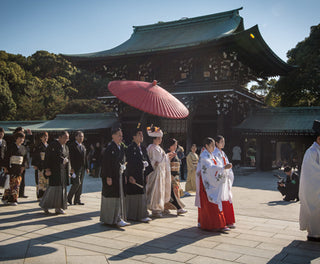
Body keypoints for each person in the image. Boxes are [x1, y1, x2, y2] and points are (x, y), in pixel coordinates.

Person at [195, 137, 232, 232]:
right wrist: (223, 167)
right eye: (211, 145)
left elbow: (215, 166)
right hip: (206, 183)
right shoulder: (204, 156)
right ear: (206, 146)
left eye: (213, 145)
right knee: (211, 203)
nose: (213, 147)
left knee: (214, 203)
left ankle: (214, 224)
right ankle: (215, 225)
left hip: (211, 181)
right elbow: (209, 168)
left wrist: (224, 168)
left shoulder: (211, 155)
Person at [100, 127, 129, 227]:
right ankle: (111, 218)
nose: (121, 137)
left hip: (119, 176)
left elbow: (123, 161)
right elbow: (106, 164)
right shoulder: (110, 148)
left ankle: (118, 217)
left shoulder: (120, 147)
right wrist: (108, 176)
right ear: (113, 136)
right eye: (119, 135)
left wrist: (124, 171)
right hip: (112, 176)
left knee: (119, 196)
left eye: (121, 135)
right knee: (112, 197)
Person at [125, 127, 153, 223]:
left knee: (142, 194)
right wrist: (129, 176)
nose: (141, 136)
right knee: (134, 195)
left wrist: (147, 174)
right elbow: (128, 163)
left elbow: (147, 160)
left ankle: (142, 214)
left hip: (142, 174)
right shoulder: (130, 148)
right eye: (139, 134)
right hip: (134, 175)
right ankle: (132, 215)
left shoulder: (143, 148)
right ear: (134, 137)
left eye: (142, 134)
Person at [40, 131, 71, 214]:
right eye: (65, 137)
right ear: (59, 137)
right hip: (54, 170)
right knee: (52, 189)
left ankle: (58, 207)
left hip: (63, 171)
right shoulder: (53, 145)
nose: (66, 140)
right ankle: (45, 205)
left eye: (67, 138)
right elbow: (48, 158)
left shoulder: (66, 147)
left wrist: (68, 171)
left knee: (61, 190)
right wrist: (47, 169)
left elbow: (68, 159)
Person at [299, 120, 320, 242]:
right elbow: (311, 172)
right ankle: (313, 234)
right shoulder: (312, 151)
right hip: (313, 187)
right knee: (314, 207)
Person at [145, 126, 171, 218]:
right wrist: (154, 162)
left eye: (161, 138)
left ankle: (157, 208)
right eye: (159, 138)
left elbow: (162, 159)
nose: (160, 140)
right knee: (153, 191)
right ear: (154, 138)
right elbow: (150, 160)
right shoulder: (151, 148)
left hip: (160, 172)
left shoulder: (159, 148)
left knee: (159, 191)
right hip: (154, 172)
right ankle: (152, 208)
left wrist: (167, 157)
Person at [213, 135, 236, 229]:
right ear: (216, 143)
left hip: (225, 177)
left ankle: (229, 220)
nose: (223, 143)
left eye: (223, 141)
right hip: (220, 178)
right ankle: (224, 221)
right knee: (221, 199)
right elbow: (216, 166)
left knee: (227, 198)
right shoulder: (214, 153)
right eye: (221, 142)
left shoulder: (222, 153)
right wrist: (224, 168)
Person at [1, 132, 27, 205]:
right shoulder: (11, 147)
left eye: (23, 138)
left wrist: (23, 166)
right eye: (20, 138)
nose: (22, 140)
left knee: (16, 184)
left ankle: (14, 199)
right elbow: (6, 157)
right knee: (9, 184)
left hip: (19, 167)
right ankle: (6, 198)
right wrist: (5, 167)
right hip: (11, 167)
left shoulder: (23, 147)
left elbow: (25, 158)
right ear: (16, 138)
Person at [164, 138, 187, 215]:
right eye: (174, 145)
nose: (175, 147)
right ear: (170, 145)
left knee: (174, 192)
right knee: (172, 193)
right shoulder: (168, 154)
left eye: (176, 145)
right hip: (170, 175)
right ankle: (178, 208)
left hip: (176, 175)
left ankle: (167, 207)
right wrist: (170, 175)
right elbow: (167, 165)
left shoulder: (174, 153)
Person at [67, 131, 89, 205]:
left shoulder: (83, 146)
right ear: (76, 137)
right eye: (79, 136)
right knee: (76, 183)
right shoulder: (72, 146)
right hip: (75, 168)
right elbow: (70, 158)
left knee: (81, 184)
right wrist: (71, 167)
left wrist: (87, 167)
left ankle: (77, 200)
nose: (81, 138)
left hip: (82, 168)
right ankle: (69, 198)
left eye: (82, 136)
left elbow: (85, 158)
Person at [31, 131, 49, 200]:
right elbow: (35, 156)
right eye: (44, 137)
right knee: (40, 181)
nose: (46, 138)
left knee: (46, 181)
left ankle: (46, 195)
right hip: (40, 165)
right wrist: (35, 164)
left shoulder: (49, 146)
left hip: (47, 165)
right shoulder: (38, 146)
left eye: (46, 136)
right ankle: (40, 196)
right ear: (41, 138)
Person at [0, 127, 7, 196]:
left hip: (2, 161)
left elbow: (5, 152)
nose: (1, 135)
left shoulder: (4, 142)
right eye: (0, 133)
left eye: (2, 133)